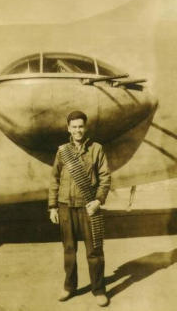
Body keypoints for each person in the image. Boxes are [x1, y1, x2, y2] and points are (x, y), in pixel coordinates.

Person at [48, 110, 111, 307]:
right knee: (68, 250)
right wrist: (52, 206)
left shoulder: (96, 149)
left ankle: (99, 289)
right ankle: (69, 287)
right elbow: (54, 180)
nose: (78, 130)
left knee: (94, 251)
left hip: (88, 207)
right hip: (65, 206)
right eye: (74, 127)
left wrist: (98, 201)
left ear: (86, 127)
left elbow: (105, 178)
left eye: (81, 126)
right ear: (68, 128)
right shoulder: (62, 151)